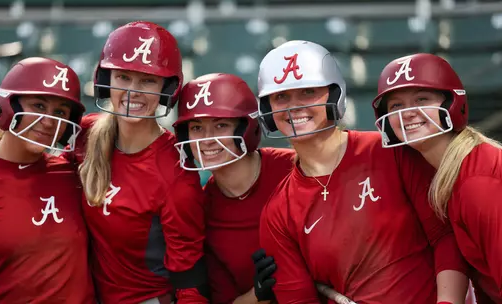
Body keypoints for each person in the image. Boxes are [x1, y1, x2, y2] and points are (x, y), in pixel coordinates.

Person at [256, 40, 469, 304]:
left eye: (308, 91)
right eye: (280, 97)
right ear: (267, 110)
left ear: (334, 95)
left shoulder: (391, 151)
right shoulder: (278, 212)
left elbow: (445, 235)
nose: (294, 105)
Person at [75, 21, 209, 303]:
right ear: (105, 81)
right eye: (123, 77)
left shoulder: (176, 172)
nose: (132, 91)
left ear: (167, 87)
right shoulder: (86, 134)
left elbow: (189, 284)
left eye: (147, 80)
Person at [0, 57, 95, 303]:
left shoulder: (73, 174)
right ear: (8, 103)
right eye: (39, 106)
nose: (48, 121)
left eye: (60, 112)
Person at [372, 53, 502, 303]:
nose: (408, 113)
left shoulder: (478, 181)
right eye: (396, 105)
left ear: (451, 103)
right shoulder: (448, 173)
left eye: (421, 99)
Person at [172, 73, 295, 303]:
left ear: (246, 129)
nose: (207, 140)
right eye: (196, 127)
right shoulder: (203, 209)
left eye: (220, 125)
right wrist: (259, 293)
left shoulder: (292, 167)